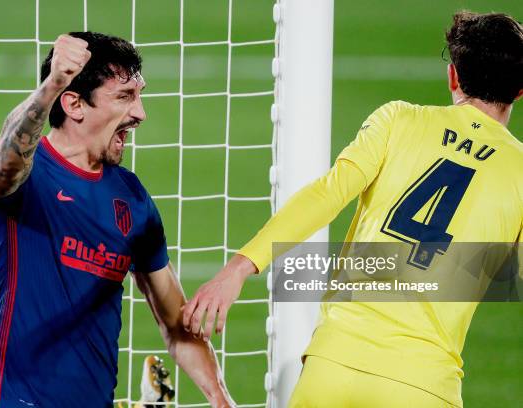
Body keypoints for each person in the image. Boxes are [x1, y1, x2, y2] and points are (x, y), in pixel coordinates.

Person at [183, 11, 522, 408]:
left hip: (333, 368)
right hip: (423, 385)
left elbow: (327, 194)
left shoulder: (398, 119)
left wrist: (239, 267)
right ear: (519, 90)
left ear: (454, 77)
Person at [0, 32, 233, 408]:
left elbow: (176, 324)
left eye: (139, 95)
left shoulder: (133, 198)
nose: (140, 113)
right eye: (125, 97)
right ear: (74, 104)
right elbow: (3, 166)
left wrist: (220, 399)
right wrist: (52, 84)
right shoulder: (28, 179)